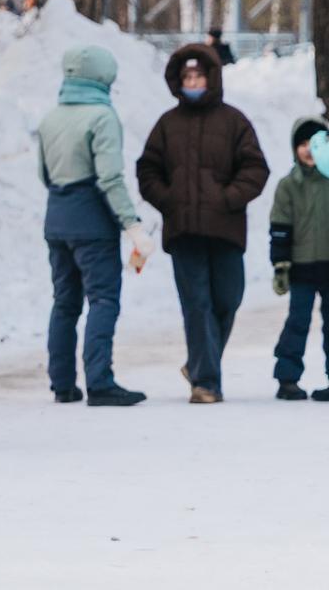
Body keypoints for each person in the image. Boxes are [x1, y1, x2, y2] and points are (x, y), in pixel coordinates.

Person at [135, 45, 268, 403]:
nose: (192, 82)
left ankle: (198, 364)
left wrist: (228, 198)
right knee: (197, 305)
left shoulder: (234, 121)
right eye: (187, 77)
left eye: (198, 76)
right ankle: (206, 383)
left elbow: (256, 168)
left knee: (227, 299)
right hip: (184, 231)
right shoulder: (167, 124)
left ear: (211, 78)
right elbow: (147, 170)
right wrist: (169, 199)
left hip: (225, 230)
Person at [35, 46, 154, 406]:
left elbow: (44, 174)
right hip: (92, 222)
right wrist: (132, 225)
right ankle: (100, 382)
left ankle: (63, 384)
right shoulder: (102, 117)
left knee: (64, 303)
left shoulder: (50, 117)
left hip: (56, 218)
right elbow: (109, 178)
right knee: (103, 299)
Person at [269, 115, 329, 401]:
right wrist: (281, 266)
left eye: (315, 144)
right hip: (302, 267)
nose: (308, 150)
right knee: (297, 321)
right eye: (302, 144)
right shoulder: (288, 185)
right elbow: (280, 228)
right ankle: (287, 377)